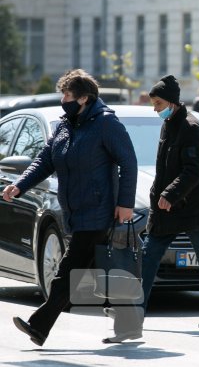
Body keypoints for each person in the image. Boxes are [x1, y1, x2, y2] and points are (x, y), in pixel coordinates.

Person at [5, 69, 138, 345]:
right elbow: (44, 161)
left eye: (67, 94)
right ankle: (128, 324)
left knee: (68, 269)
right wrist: (20, 185)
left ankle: (40, 326)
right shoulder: (64, 126)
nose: (63, 99)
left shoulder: (106, 124)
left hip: (98, 209)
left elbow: (128, 162)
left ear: (84, 98)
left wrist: (125, 203)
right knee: (98, 270)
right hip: (74, 210)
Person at [141, 75, 199, 330]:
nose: (155, 110)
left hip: (189, 208)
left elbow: (193, 170)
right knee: (148, 257)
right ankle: (133, 310)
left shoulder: (190, 127)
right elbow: (165, 168)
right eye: (154, 104)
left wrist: (169, 194)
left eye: (158, 104)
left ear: (171, 102)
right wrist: (159, 194)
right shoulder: (168, 124)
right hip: (166, 209)